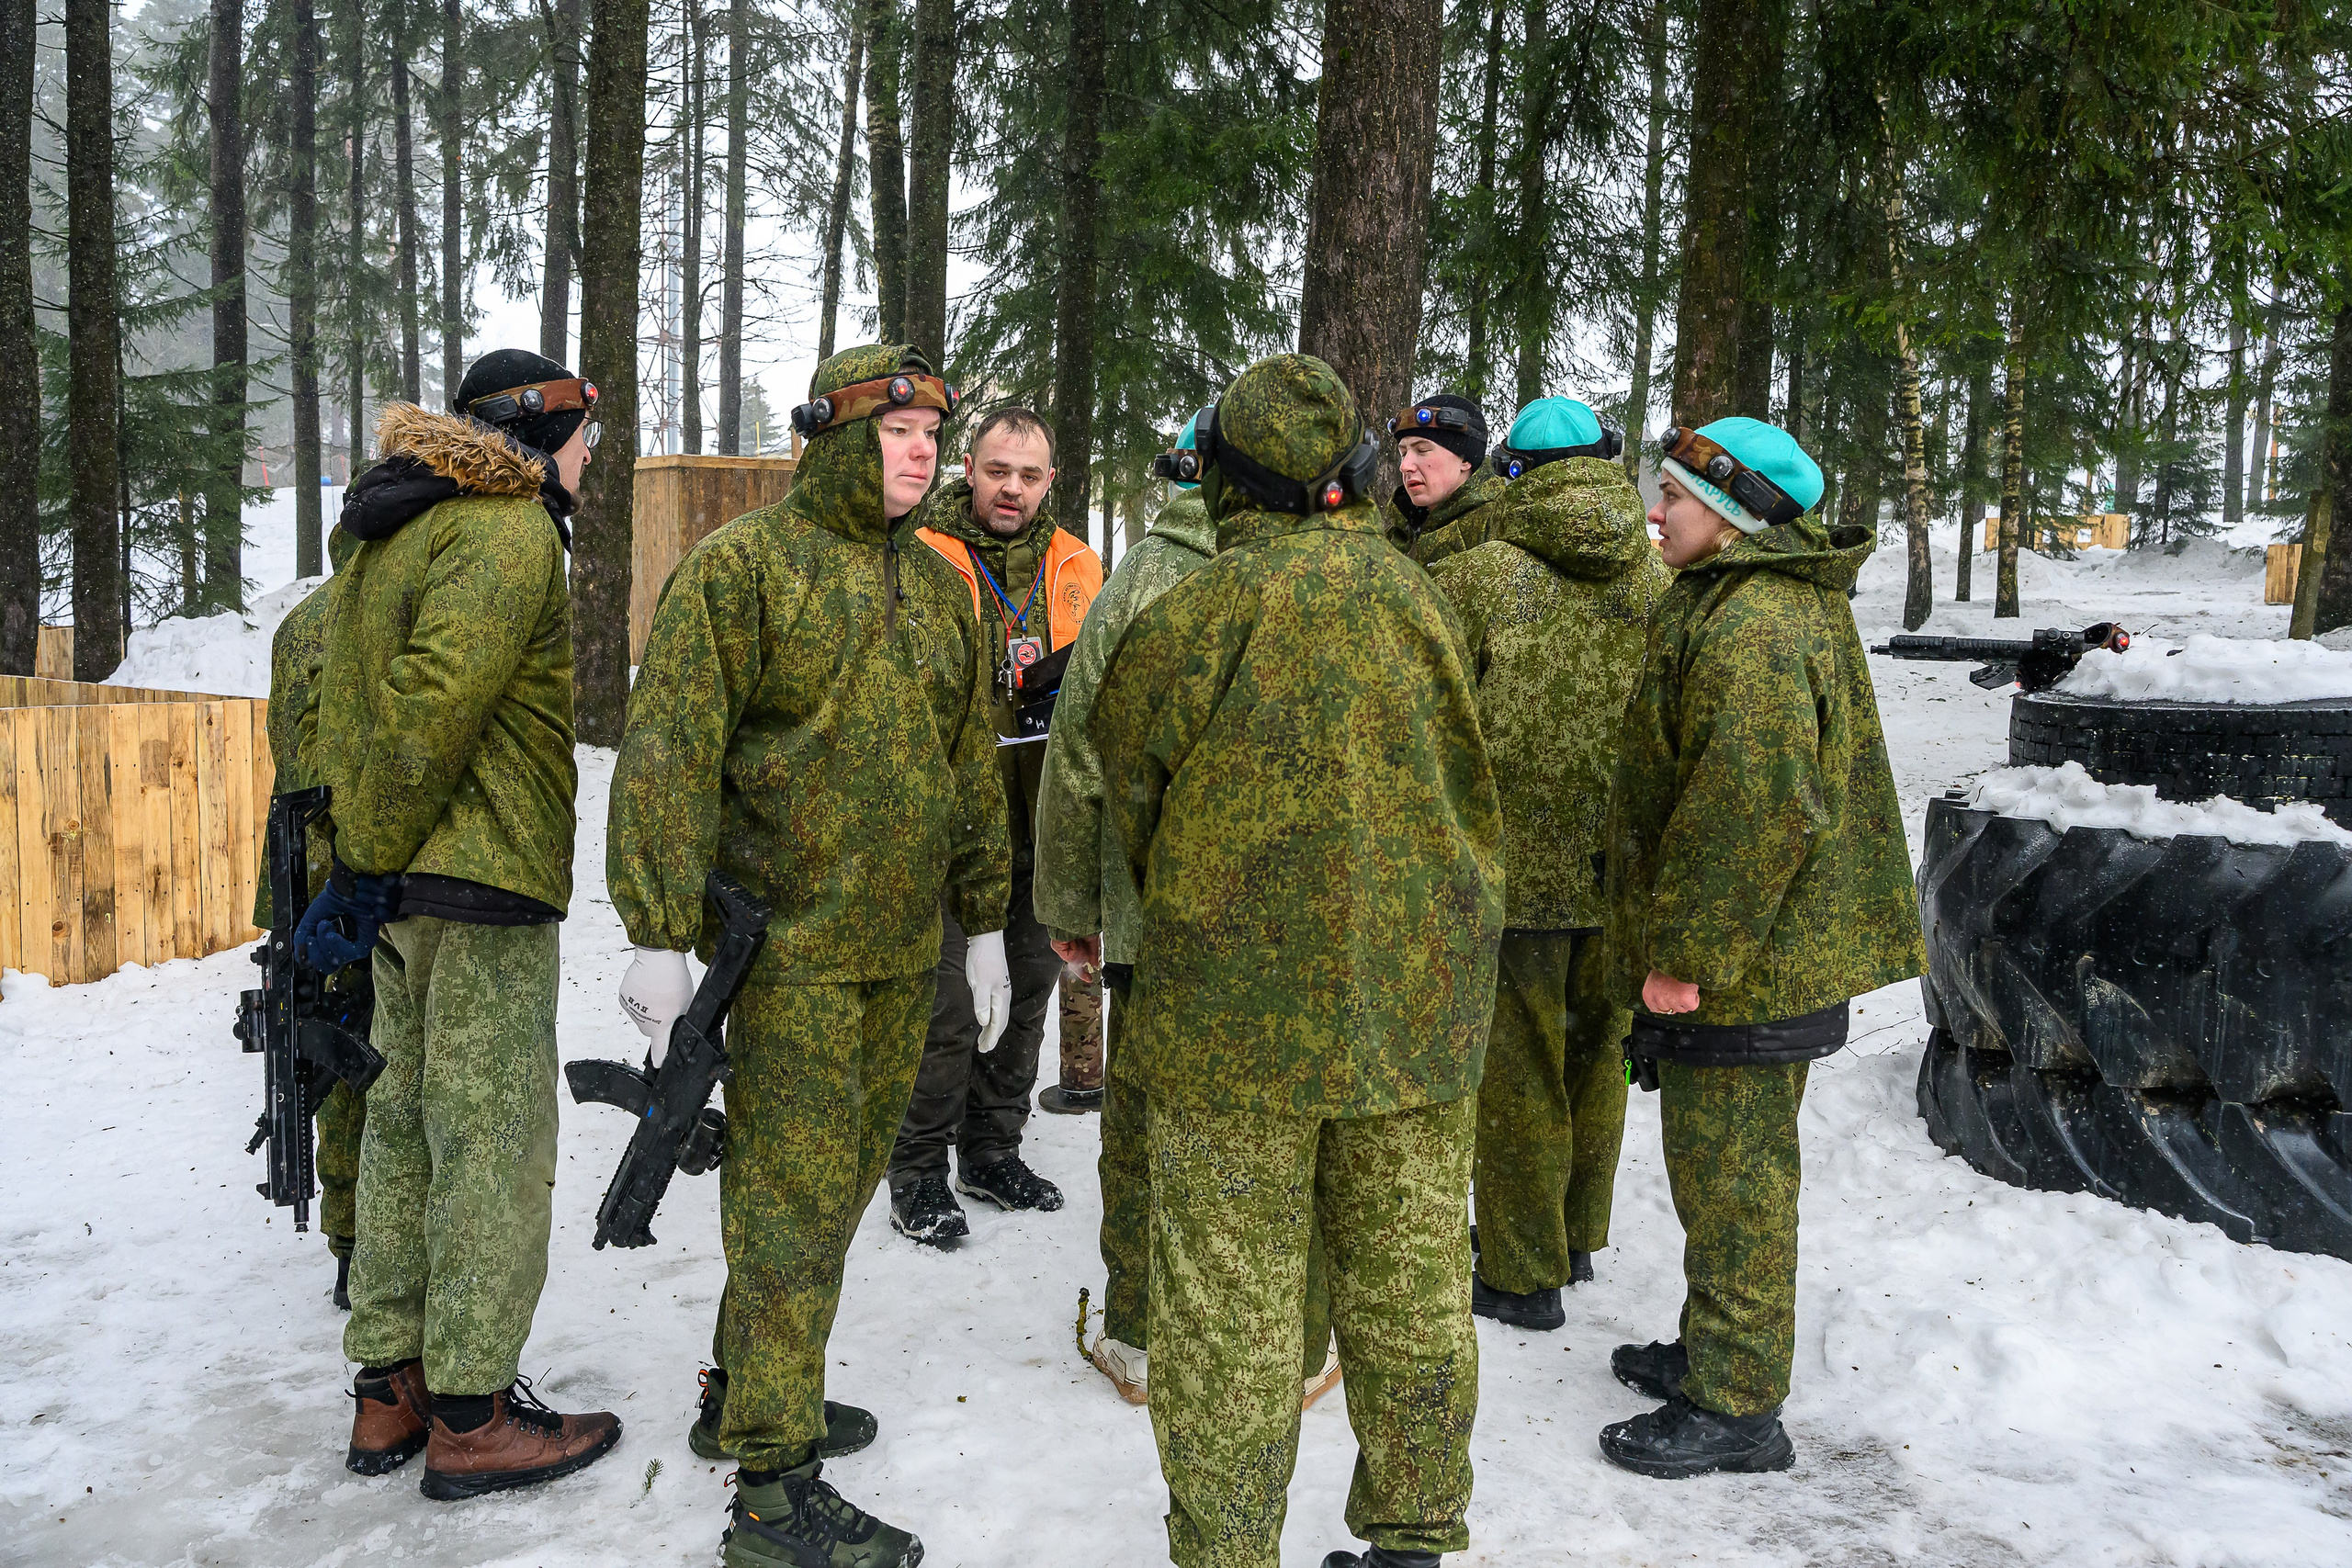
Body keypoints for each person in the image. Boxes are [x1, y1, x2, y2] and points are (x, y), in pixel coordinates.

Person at [1092, 355, 1504, 1568]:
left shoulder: (1194, 615)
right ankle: (1416, 1534)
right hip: (1413, 1014)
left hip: (1233, 1028)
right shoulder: (1423, 598)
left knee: (1228, 1308)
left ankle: (1227, 1548)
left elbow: (1136, 792)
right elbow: (1474, 787)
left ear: (1227, 477)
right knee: (1415, 1291)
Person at [608, 343, 1008, 1568]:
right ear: (832, 432)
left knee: (826, 1202)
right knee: (785, 1216)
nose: (922, 451)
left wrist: (986, 922)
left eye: (934, 434)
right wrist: (655, 930)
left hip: (897, 955)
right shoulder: (741, 572)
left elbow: (968, 766)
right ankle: (774, 1497)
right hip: (784, 961)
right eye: (898, 431)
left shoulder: (942, 590)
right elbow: (669, 751)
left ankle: (748, 1390)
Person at [300, 347, 619, 1495]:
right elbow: (434, 709)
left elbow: (348, 702)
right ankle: (475, 1413)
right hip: (473, 878)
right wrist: (370, 861)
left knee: (402, 1130)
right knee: (487, 1143)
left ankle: (392, 1390)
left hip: (401, 882)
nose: (595, 453)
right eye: (586, 430)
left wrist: (360, 868)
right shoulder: (505, 529)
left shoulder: (391, 535)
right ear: (535, 432)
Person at [1599, 416, 1925, 1479]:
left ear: (1734, 518)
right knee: (1716, 1170)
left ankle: (1737, 1409)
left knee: (1735, 1179)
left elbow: (1751, 810)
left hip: (1748, 960)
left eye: (1676, 502)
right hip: (1755, 949)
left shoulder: (1756, 627)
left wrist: (1684, 955)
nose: (1655, 514)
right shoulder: (1739, 601)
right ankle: (1714, 1351)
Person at [1034, 412, 1341, 1413]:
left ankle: (1143, 1334)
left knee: (1145, 1121)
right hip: (1302, 919)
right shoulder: (1340, 581)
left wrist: (1072, 903)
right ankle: (1293, 1344)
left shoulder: (1144, 585)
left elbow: (1078, 753)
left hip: (1157, 918)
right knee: (1291, 1124)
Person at [1426, 397, 1668, 1332]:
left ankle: (1521, 1276)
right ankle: (1573, 1238)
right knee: (1596, 1060)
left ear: (1511, 475)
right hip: (1619, 875)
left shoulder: (1476, 579)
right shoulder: (1657, 581)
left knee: (1517, 1072)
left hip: (1508, 874)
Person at [886, 406, 1102, 1243]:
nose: (1012, 488)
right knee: (948, 1006)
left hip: (1044, 823)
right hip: (949, 831)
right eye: (997, 470)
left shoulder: (1079, 564)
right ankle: (916, 1168)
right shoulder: (918, 554)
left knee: (1025, 993)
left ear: (1051, 480)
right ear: (968, 469)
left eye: (1030, 474)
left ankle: (992, 1148)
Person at [253, 530, 368, 1311]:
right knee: (362, 1059)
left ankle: (347, 1243)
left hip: (298, 871)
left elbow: (287, 759)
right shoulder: (373, 617)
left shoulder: (299, 624)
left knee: (325, 1070)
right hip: (353, 871)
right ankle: (366, 1244)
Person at [1386, 393, 1503, 565]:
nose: (1405, 466)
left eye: (1422, 450)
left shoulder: (1496, 528)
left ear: (1465, 459)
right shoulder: (1396, 533)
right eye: (1403, 453)